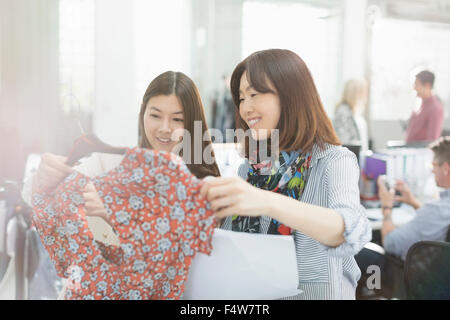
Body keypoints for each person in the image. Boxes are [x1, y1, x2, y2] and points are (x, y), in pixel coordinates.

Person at [21, 70, 221, 298]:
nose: (165, 128)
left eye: (177, 119)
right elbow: (35, 197)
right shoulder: (109, 163)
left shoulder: (204, 184)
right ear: (142, 113)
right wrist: (42, 179)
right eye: (155, 115)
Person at [199, 49, 372, 300]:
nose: (246, 107)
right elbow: (234, 250)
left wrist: (266, 201)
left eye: (254, 94)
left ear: (290, 95)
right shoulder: (249, 168)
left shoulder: (334, 160)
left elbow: (349, 231)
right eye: (241, 98)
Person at [355, 136, 450, 297]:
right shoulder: (440, 208)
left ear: (446, 168)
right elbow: (437, 220)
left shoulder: (436, 210)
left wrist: (386, 207)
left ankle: (372, 291)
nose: (432, 170)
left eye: (433, 165)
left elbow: (390, 243)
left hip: (404, 275)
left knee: (355, 250)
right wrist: (413, 202)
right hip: (437, 280)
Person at [405, 70, 444, 143]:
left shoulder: (435, 108)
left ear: (427, 86)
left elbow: (432, 140)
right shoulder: (419, 105)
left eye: (416, 84)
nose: (414, 88)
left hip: (422, 153)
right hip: (411, 150)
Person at [333, 78, 369, 152]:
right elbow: (343, 145)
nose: (365, 96)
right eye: (363, 92)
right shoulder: (343, 115)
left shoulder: (358, 116)